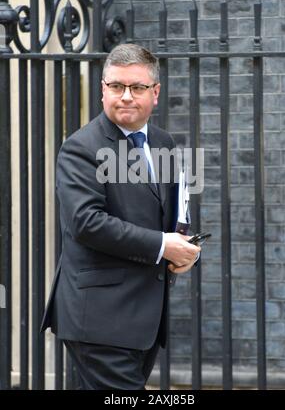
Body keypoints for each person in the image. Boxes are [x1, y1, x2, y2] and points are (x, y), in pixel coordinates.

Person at [41, 43, 200, 390]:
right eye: (116, 86)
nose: (126, 96)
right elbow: (86, 222)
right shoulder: (81, 147)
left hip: (143, 319)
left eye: (137, 87)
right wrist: (162, 246)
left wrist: (185, 251)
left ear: (155, 93)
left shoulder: (164, 142)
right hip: (98, 318)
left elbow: (177, 215)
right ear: (103, 91)